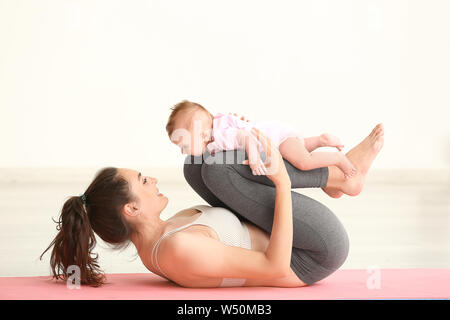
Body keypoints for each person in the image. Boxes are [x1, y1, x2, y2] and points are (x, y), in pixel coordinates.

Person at [40, 123, 384, 287]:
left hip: (285, 238)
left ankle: (337, 180)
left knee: (198, 163)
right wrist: (280, 182)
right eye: (144, 181)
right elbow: (274, 265)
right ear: (130, 209)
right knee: (216, 169)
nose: (153, 181)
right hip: (309, 255)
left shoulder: (164, 234)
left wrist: (227, 134)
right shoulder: (177, 249)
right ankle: (341, 179)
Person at [166, 100, 357, 183]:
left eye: (184, 145)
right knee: (299, 147)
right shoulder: (215, 130)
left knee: (303, 162)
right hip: (277, 134)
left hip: (276, 138)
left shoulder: (220, 136)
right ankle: (321, 140)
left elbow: (245, 137)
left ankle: (337, 159)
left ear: (201, 135)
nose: (184, 152)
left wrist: (254, 157)